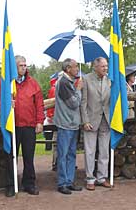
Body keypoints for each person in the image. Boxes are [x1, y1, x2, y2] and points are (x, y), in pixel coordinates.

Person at [0, 55, 44, 197]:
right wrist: (6, 105)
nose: (24, 67)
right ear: (14, 67)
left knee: (28, 157)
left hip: (28, 126)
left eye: (25, 65)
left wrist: (40, 121)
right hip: (11, 126)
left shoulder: (33, 83)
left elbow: (39, 104)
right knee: (10, 156)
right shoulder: (4, 83)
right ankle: (11, 184)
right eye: (21, 65)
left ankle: (29, 184)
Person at [54, 58, 83, 195]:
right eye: (75, 66)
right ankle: (62, 183)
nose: (77, 69)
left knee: (71, 154)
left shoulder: (68, 82)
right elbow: (74, 103)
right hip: (65, 124)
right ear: (68, 69)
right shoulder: (64, 83)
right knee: (64, 154)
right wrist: (78, 89)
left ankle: (69, 181)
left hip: (72, 124)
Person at [81, 57, 111, 190]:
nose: (105, 68)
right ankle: (90, 179)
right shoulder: (86, 79)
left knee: (104, 151)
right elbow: (83, 102)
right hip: (91, 120)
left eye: (106, 66)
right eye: (103, 66)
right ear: (95, 66)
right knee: (90, 151)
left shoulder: (110, 79)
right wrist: (85, 120)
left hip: (106, 119)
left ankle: (102, 177)